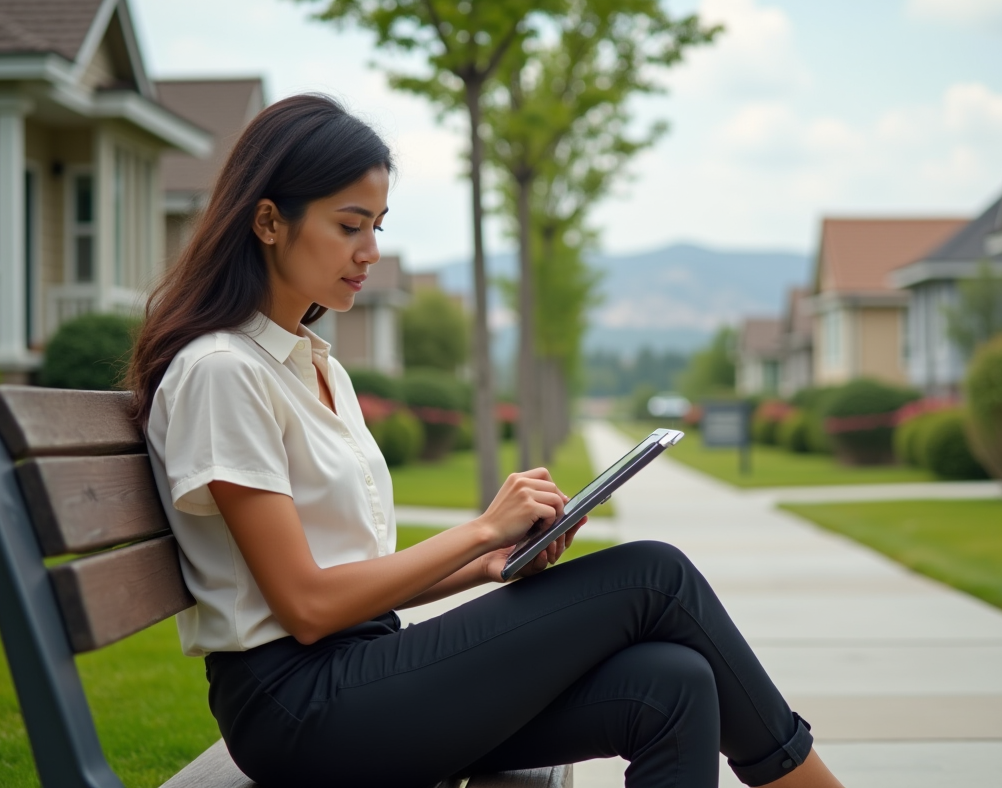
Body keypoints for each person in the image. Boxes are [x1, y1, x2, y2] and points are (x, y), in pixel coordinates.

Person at [128, 94, 845, 788]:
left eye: (378, 225)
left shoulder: (314, 366)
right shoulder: (223, 371)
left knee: (673, 684)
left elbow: (355, 577)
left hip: (364, 673)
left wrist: (493, 561)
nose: (371, 251)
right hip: (300, 708)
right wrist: (478, 530)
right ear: (268, 221)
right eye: (349, 226)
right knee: (655, 574)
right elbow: (307, 606)